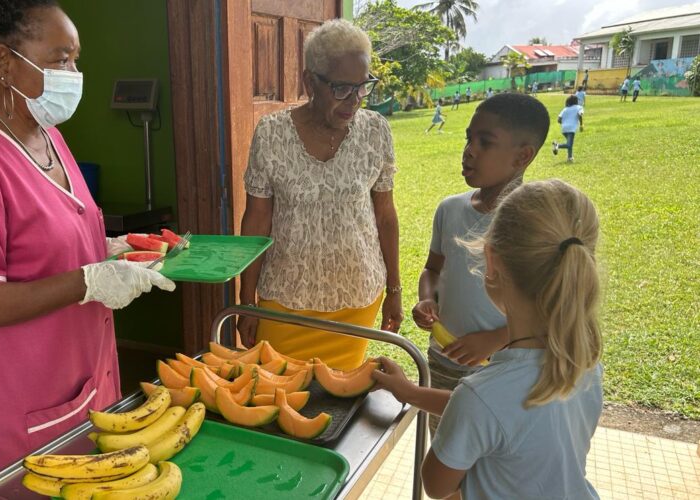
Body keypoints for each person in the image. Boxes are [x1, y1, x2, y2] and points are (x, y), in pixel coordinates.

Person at [0, 0, 175, 485]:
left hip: (80, 385)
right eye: (60, 60)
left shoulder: (49, 138)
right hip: (17, 408)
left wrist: (106, 250)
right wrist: (87, 280)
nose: (74, 73)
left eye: (75, 60)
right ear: (3, 63)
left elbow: (53, 237)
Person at [373, 179, 603, 500]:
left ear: (491, 261)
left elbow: (437, 485)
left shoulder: (480, 395)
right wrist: (410, 392)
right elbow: (494, 414)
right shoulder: (583, 364)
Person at [237, 19, 402, 370]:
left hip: (357, 296)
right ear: (310, 81)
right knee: (279, 396)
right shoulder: (271, 134)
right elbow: (256, 220)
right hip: (285, 298)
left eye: (363, 87)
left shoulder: (376, 132)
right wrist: (246, 300)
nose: (355, 100)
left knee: (337, 401)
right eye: (342, 88)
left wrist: (395, 291)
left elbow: (385, 215)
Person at [410, 93, 550, 438]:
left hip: (505, 368)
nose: (469, 150)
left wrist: (495, 339)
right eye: (468, 138)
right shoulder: (449, 209)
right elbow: (433, 268)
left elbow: (553, 305)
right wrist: (427, 298)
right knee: (445, 457)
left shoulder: (537, 222)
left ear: (522, 156)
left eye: (485, 142)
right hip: (443, 361)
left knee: (490, 464)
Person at [552, 94, 584, 163]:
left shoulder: (565, 109)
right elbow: (580, 114)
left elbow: (559, 120)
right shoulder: (579, 107)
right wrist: (581, 125)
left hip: (564, 129)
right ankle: (557, 145)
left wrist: (564, 123)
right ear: (576, 101)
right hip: (571, 128)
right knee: (569, 145)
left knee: (569, 144)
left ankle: (570, 157)